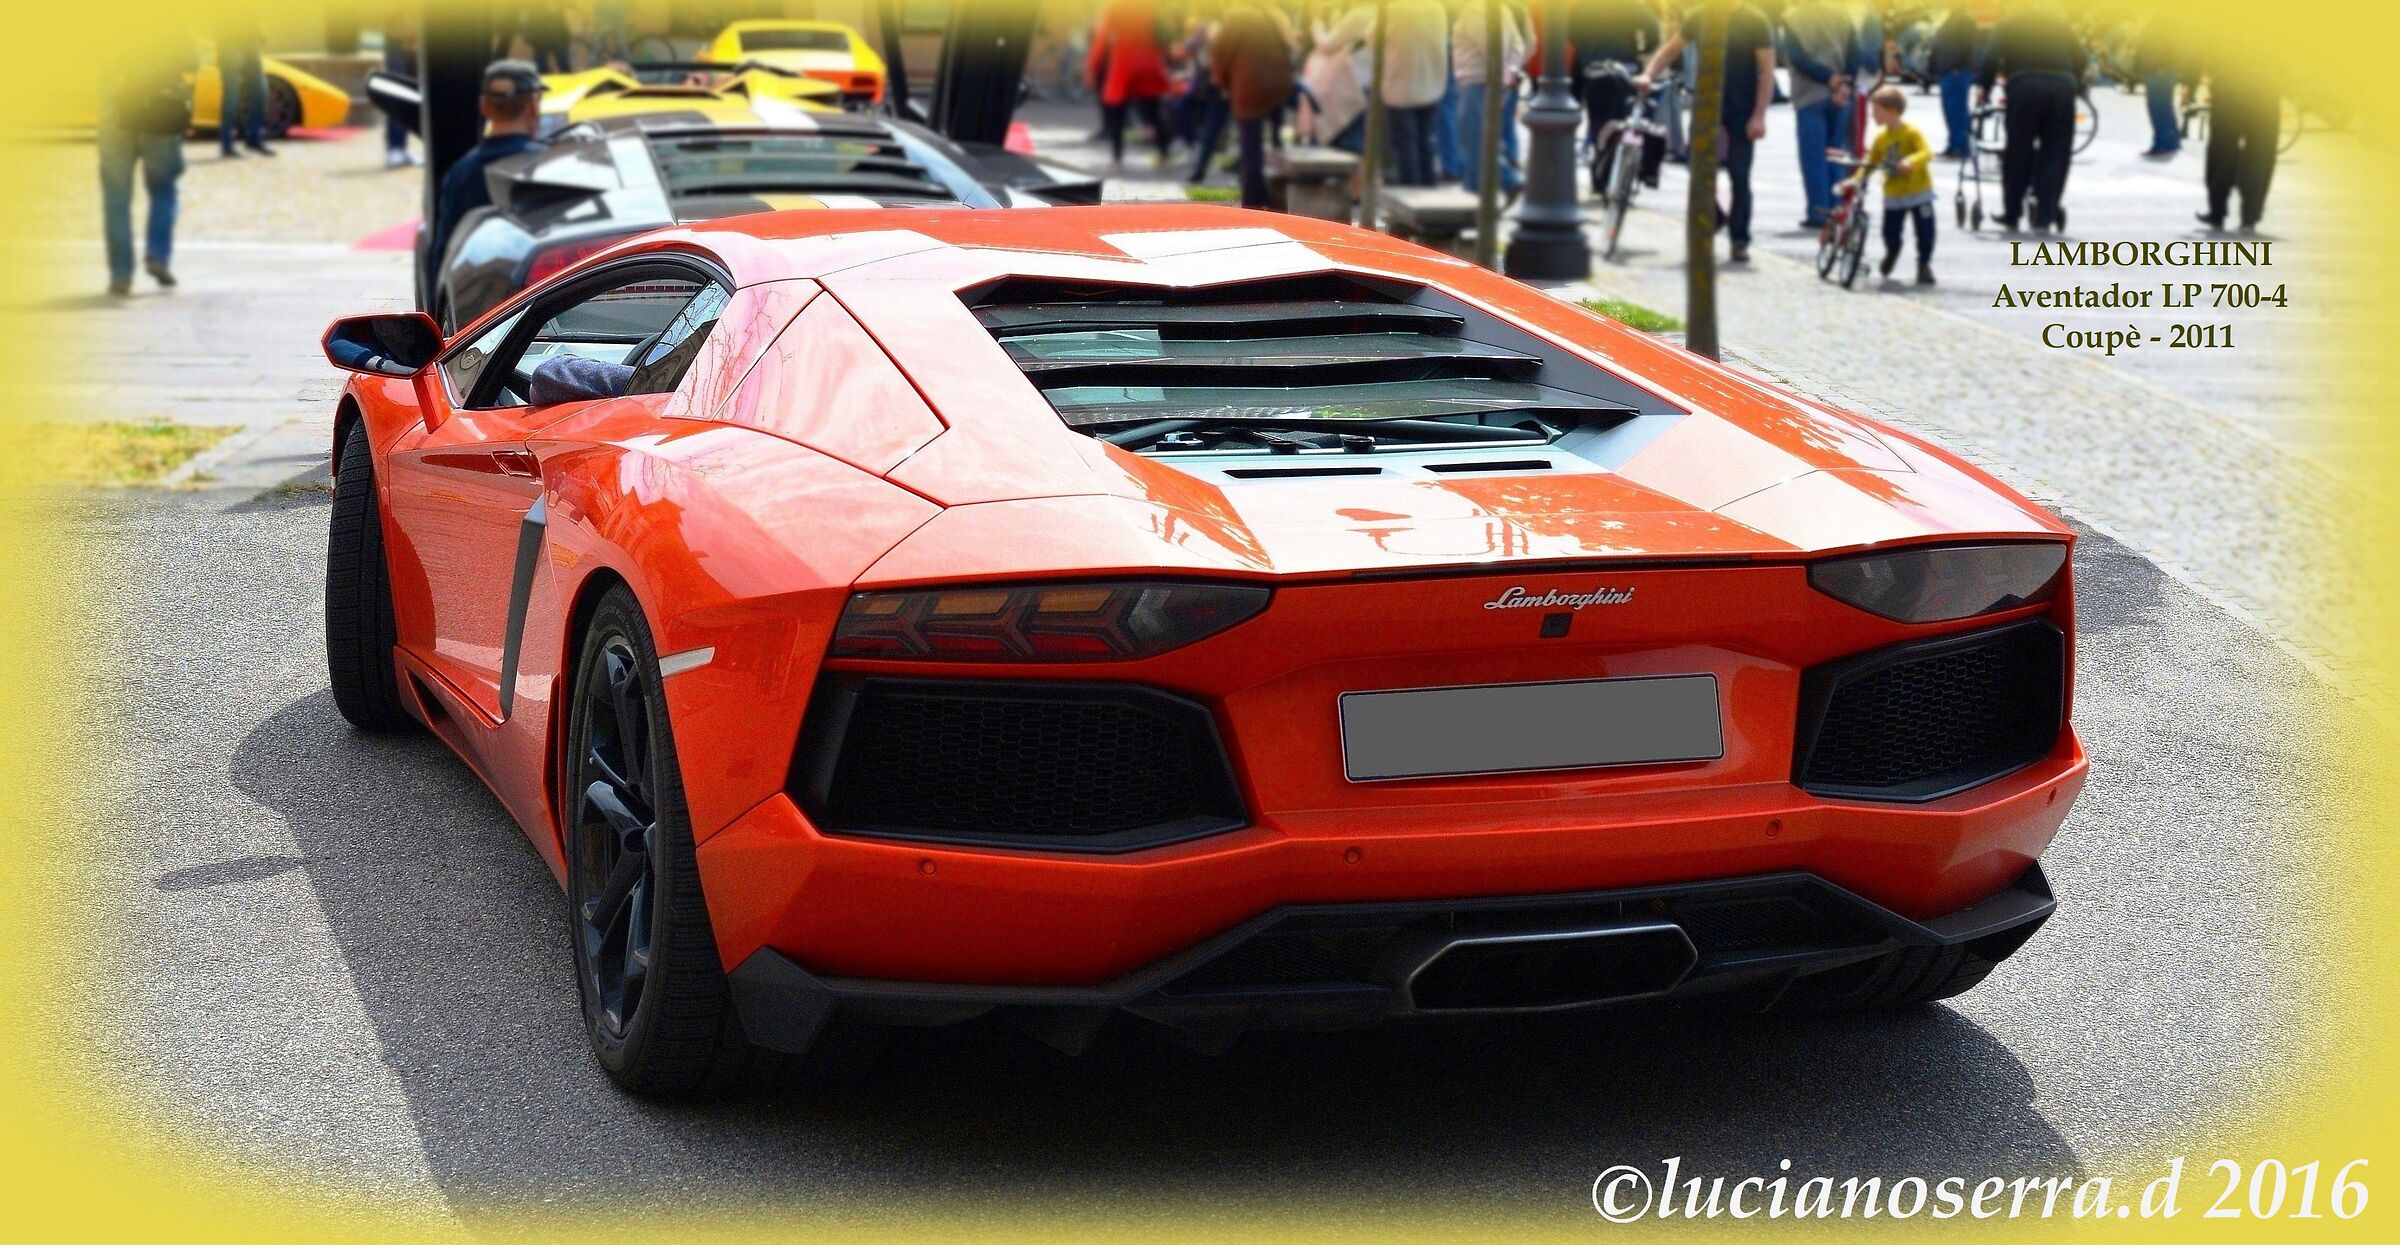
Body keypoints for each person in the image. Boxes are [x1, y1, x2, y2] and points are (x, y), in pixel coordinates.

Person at [1640, 3, 1774, 263]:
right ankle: (1710, 223)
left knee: (1740, 175)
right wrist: (1648, 74)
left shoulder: (1755, 20)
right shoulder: (1701, 16)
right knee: (1699, 170)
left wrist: (1759, 116)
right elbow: (1670, 50)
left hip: (1742, 109)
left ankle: (1739, 241)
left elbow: (1766, 71)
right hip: (1705, 107)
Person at [427, 60, 547, 295]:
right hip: (539, 307)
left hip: (474, 310)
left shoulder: (460, 174)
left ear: (484, 107)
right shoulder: (551, 165)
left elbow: (443, 259)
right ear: (533, 106)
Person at [98, 30, 196, 296]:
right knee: (164, 189)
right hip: (160, 114)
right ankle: (157, 256)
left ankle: (121, 274)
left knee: (116, 198)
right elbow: (193, 61)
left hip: (118, 112)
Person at [1975, 0, 2085, 233]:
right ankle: (2045, 216)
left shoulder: (2009, 23)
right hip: (2061, 87)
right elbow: (2081, 58)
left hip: (2025, 85)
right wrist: (2073, 81)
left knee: (2018, 151)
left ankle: (2012, 213)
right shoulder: (2059, 24)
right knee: (2056, 152)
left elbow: (1990, 57)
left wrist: (1983, 87)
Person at [1211, 0, 1296, 208]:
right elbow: (1290, 48)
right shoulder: (1272, 15)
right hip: (1280, 84)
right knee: (1274, 143)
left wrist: (1223, 84)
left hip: (1250, 86)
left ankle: (1253, 203)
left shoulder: (1236, 16)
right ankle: (1269, 195)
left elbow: (1221, 53)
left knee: (1251, 147)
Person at [1570, 0, 1661, 190]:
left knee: (1598, 123)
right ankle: (1617, 173)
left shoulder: (1583, 6)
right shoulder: (1632, 5)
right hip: (1625, 67)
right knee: (1622, 120)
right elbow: (1653, 29)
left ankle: (1600, 175)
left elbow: (1570, 34)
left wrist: (1588, 48)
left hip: (1592, 68)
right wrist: (1641, 50)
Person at [1852, 84, 1938, 284]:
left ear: (1892, 112)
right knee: (1890, 231)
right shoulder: (1881, 138)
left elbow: (1926, 152)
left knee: (1925, 231)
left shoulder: (1911, 133)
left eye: (1877, 111)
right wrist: (1856, 180)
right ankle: (1892, 251)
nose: (1873, 116)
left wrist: (1910, 161)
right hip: (1894, 194)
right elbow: (1870, 162)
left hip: (1918, 192)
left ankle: (1924, 264)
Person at [1782, 0, 1855, 226]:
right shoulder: (1842, 13)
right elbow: (1855, 53)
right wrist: (1844, 83)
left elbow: (1798, 58)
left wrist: (1827, 78)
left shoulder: (1793, 18)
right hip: (1841, 95)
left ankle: (1819, 212)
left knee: (1813, 157)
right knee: (1835, 154)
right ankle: (1837, 208)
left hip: (1810, 94)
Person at [1452, 0, 1528, 198]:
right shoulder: (1502, 9)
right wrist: (1510, 73)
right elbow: (1518, 45)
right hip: (1492, 81)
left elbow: (1491, 48)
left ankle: (1509, 181)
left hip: (1477, 81)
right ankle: (1477, 194)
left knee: (1475, 140)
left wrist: (1503, 77)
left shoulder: (1475, 9)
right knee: (1480, 138)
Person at [1091, 0, 1175, 175]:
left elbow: (1102, 37)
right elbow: (1163, 35)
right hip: (1147, 62)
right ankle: (1164, 155)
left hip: (1124, 64)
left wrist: (1093, 65)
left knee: (1117, 115)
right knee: (1153, 113)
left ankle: (1116, 159)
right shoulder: (1150, 6)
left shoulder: (1115, 7)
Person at [2197, 66, 2278, 232]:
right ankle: (2250, 216)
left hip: (2231, 86)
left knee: (2222, 151)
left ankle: (2218, 212)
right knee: (2259, 153)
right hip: (2265, 88)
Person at [1378, 0, 1450, 186]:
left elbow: (1374, 38)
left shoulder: (1395, 9)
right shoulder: (1437, 8)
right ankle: (1428, 186)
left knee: (1404, 143)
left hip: (1400, 85)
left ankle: (1411, 190)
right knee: (1426, 141)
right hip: (1431, 84)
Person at [215, 17, 274, 158]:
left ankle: (254, 139)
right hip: (229, 42)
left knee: (261, 92)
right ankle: (227, 145)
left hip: (251, 41)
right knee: (232, 96)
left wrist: (259, 35)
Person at [1928, 6, 1978, 157]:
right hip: (1950, 70)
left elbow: (1967, 46)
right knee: (1952, 109)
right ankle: (1956, 143)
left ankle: (1960, 145)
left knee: (1956, 110)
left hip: (1955, 71)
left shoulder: (1963, 18)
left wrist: (1958, 66)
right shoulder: (1955, 17)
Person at [382, 7, 422, 168]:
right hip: (396, 40)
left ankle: (403, 148)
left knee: (410, 95)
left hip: (415, 43)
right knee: (397, 92)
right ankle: (394, 147)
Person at [2136, 18, 2181, 157]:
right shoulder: (2167, 22)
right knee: (2165, 107)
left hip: (2158, 71)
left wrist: (2159, 66)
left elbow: (2154, 48)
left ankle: (2162, 143)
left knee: (2157, 109)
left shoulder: (2159, 24)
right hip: (2163, 70)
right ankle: (2172, 141)